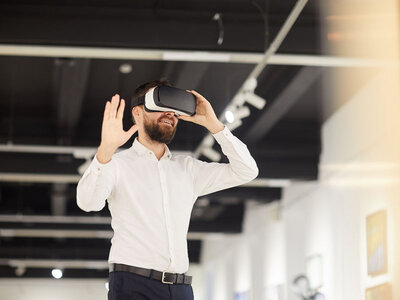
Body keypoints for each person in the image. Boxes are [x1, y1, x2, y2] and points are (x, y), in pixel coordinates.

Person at [76, 79, 259, 300]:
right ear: (137, 113)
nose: (169, 114)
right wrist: (105, 150)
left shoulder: (187, 169)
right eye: (160, 108)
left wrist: (215, 126)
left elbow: (247, 171)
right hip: (133, 285)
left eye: (174, 111)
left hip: (180, 288)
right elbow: (87, 203)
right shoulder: (116, 164)